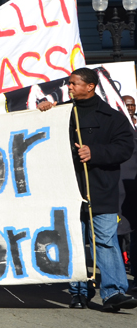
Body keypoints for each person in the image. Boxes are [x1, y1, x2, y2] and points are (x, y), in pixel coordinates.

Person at [38, 68, 137, 311]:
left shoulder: (112, 117)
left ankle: (113, 292)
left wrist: (95, 152)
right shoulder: (62, 112)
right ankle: (79, 292)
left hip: (101, 189)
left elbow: (125, 147)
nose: (69, 87)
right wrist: (43, 111)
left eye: (74, 83)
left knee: (105, 240)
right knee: (75, 242)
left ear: (90, 86)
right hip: (69, 188)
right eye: (69, 83)